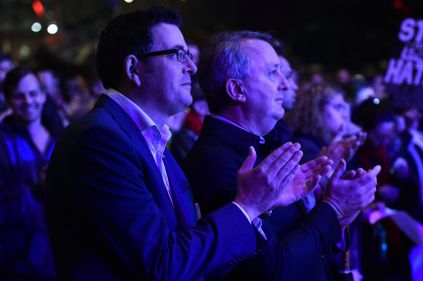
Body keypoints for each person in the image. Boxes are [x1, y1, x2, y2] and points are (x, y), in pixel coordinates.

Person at [45, 7, 307, 281]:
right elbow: (161, 264)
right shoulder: (100, 139)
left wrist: (264, 203)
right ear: (134, 68)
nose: (192, 67)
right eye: (178, 55)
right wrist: (248, 206)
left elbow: (190, 250)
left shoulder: (151, 141)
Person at [184, 31, 380, 281]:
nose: (285, 85)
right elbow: (274, 268)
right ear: (236, 89)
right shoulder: (214, 162)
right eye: (272, 73)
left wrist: (337, 215)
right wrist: (332, 208)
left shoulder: (261, 148)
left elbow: (302, 243)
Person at [0, 66, 56, 280]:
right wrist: (36, 191)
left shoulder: (60, 138)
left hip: (56, 259)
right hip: (15, 264)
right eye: (19, 96)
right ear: (8, 100)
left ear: (43, 96)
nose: (28, 101)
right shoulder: (3, 143)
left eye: (33, 94)